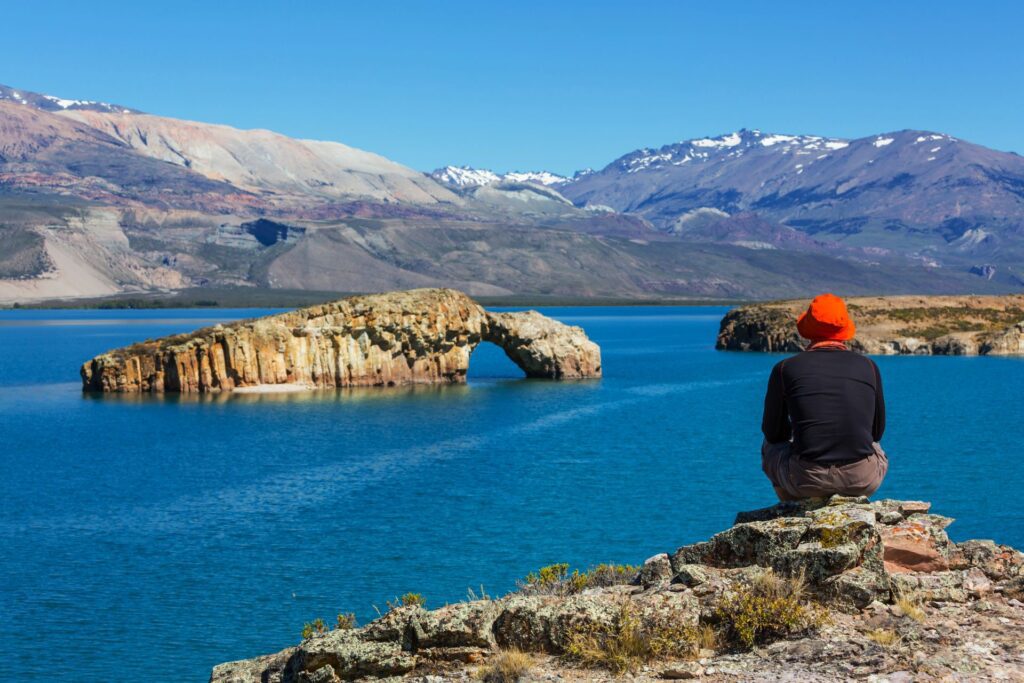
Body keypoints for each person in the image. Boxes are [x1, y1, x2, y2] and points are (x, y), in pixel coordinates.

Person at [761, 293, 888, 501]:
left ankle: (793, 508)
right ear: (843, 329)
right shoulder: (869, 367)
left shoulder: (785, 369)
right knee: (874, 446)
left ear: (809, 329)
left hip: (806, 480)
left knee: (769, 446)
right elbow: (877, 432)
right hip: (862, 479)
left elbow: (773, 433)